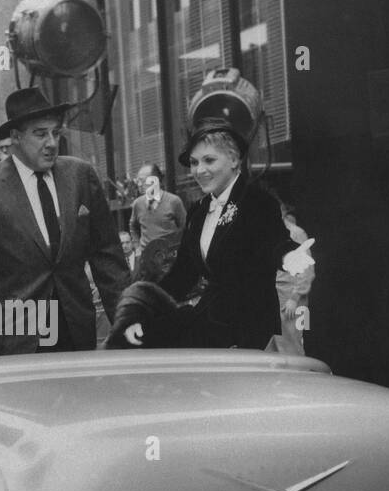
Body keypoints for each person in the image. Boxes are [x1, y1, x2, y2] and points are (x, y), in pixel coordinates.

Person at [0, 87, 129, 355]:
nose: (52, 142)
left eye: (56, 132)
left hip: (75, 331)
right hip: (18, 335)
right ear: (16, 138)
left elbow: (108, 257)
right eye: (40, 134)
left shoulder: (80, 175)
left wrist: (129, 318)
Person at [113, 120, 309, 350]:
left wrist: (290, 258)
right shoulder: (198, 210)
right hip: (212, 315)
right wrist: (146, 308)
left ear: (234, 160)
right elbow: (183, 273)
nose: (199, 170)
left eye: (209, 160)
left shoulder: (258, 201)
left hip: (248, 323)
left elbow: (275, 243)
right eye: (194, 163)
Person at [275, 205, 316, 355]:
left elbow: (308, 270)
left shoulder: (297, 233)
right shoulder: (273, 233)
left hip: (293, 300)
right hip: (279, 296)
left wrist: (294, 297)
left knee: (295, 341)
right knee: (279, 344)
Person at [128, 165, 186, 265]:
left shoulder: (174, 201)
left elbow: (185, 227)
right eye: (138, 180)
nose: (139, 184)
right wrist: (137, 247)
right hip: (147, 260)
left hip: (170, 259)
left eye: (142, 180)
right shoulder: (137, 204)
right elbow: (133, 226)